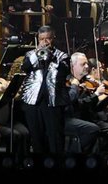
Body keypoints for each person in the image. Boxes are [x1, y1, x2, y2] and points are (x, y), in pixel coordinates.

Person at [20, 25, 70, 154]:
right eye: (42, 39)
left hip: (53, 102)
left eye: (48, 39)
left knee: (55, 139)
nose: (45, 42)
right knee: (37, 138)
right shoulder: (30, 54)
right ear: (38, 39)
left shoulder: (62, 56)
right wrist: (37, 54)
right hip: (33, 101)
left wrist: (52, 57)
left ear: (53, 39)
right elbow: (25, 67)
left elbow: (64, 71)